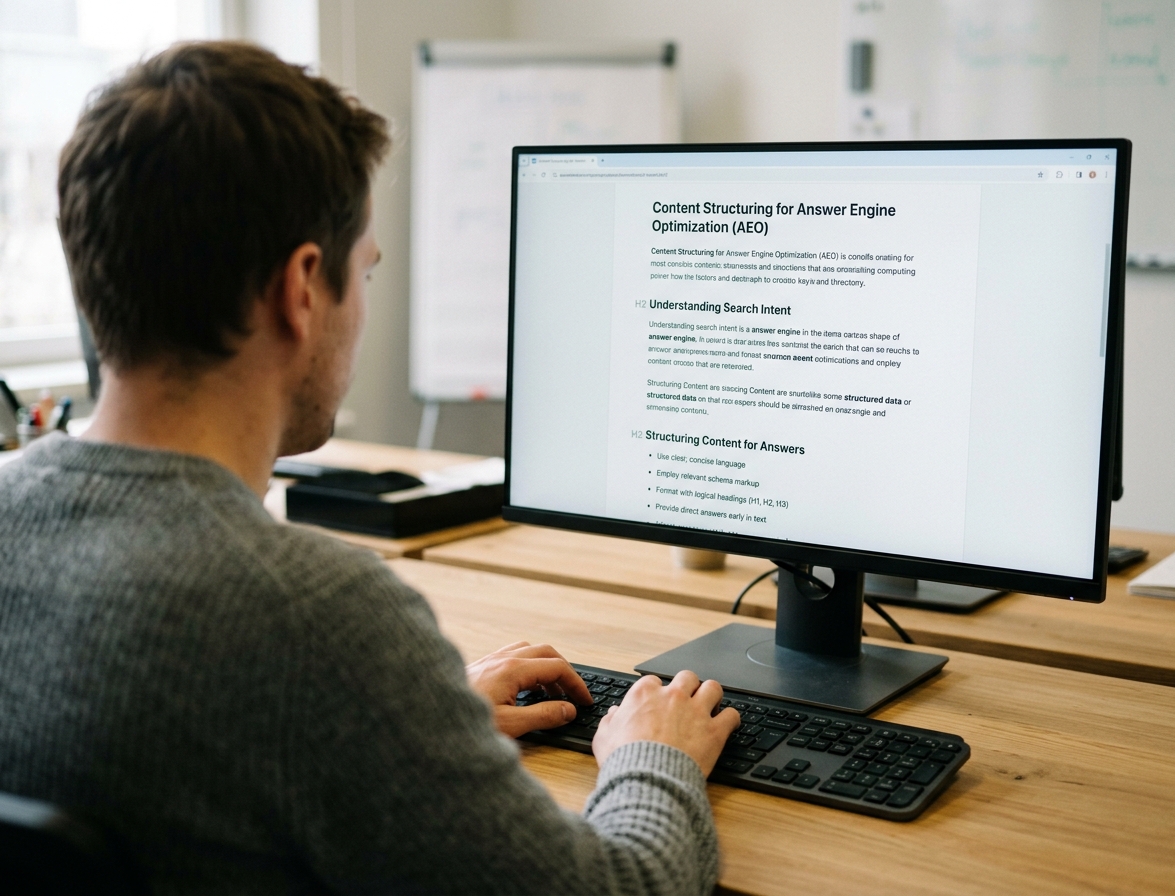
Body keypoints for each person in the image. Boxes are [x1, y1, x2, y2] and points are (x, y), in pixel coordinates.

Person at [0, 41, 741, 894]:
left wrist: (409, 725)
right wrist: (654, 755)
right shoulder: (318, 621)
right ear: (302, 289)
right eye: (366, 273)